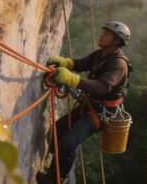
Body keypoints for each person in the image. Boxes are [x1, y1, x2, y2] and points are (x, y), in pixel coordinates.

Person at [36, 21, 132, 184]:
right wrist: (67, 63)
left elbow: (102, 87)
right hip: (90, 106)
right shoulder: (101, 55)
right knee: (57, 131)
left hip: (102, 113)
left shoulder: (118, 64)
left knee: (69, 143)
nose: (102, 35)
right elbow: (81, 64)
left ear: (116, 41)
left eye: (107, 34)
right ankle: (56, 167)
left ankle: (57, 180)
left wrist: (71, 79)